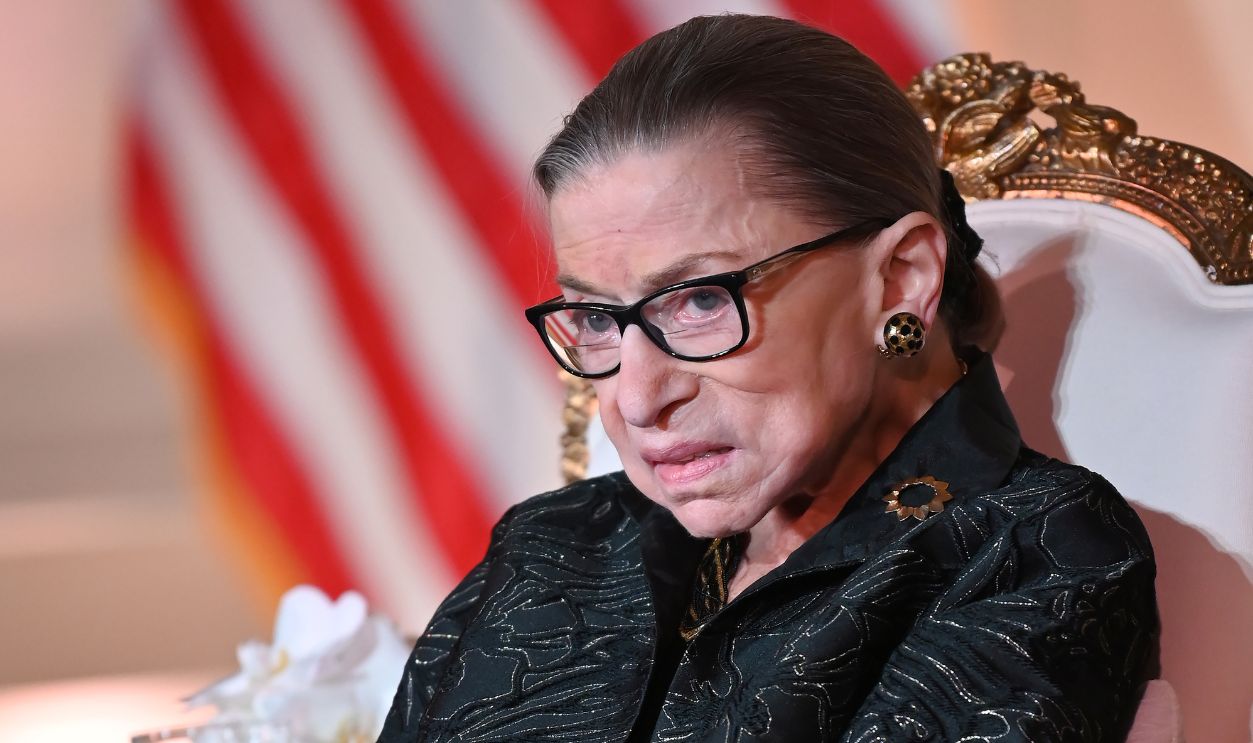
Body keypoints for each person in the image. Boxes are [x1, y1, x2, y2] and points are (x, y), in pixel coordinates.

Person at [377, 14, 1157, 743]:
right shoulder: (552, 542)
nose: (636, 399)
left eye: (700, 301)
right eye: (594, 318)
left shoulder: (1032, 553)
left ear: (900, 276)